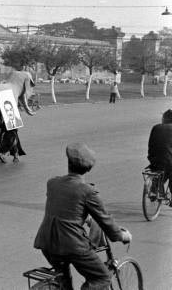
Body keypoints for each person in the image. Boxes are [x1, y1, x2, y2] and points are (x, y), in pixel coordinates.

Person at [33, 143, 132, 290]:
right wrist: (123, 236)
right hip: (72, 245)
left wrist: (85, 217)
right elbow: (105, 221)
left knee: (64, 279)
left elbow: (66, 206)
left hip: (47, 242)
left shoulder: (52, 183)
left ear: (68, 163)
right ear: (89, 168)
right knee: (102, 277)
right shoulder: (87, 191)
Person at [147, 109, 172, 200]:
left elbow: (151, 144)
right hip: (168, 162)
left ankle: (155, 189)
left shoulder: (155, 127)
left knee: (160, 169)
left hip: (153, 160)